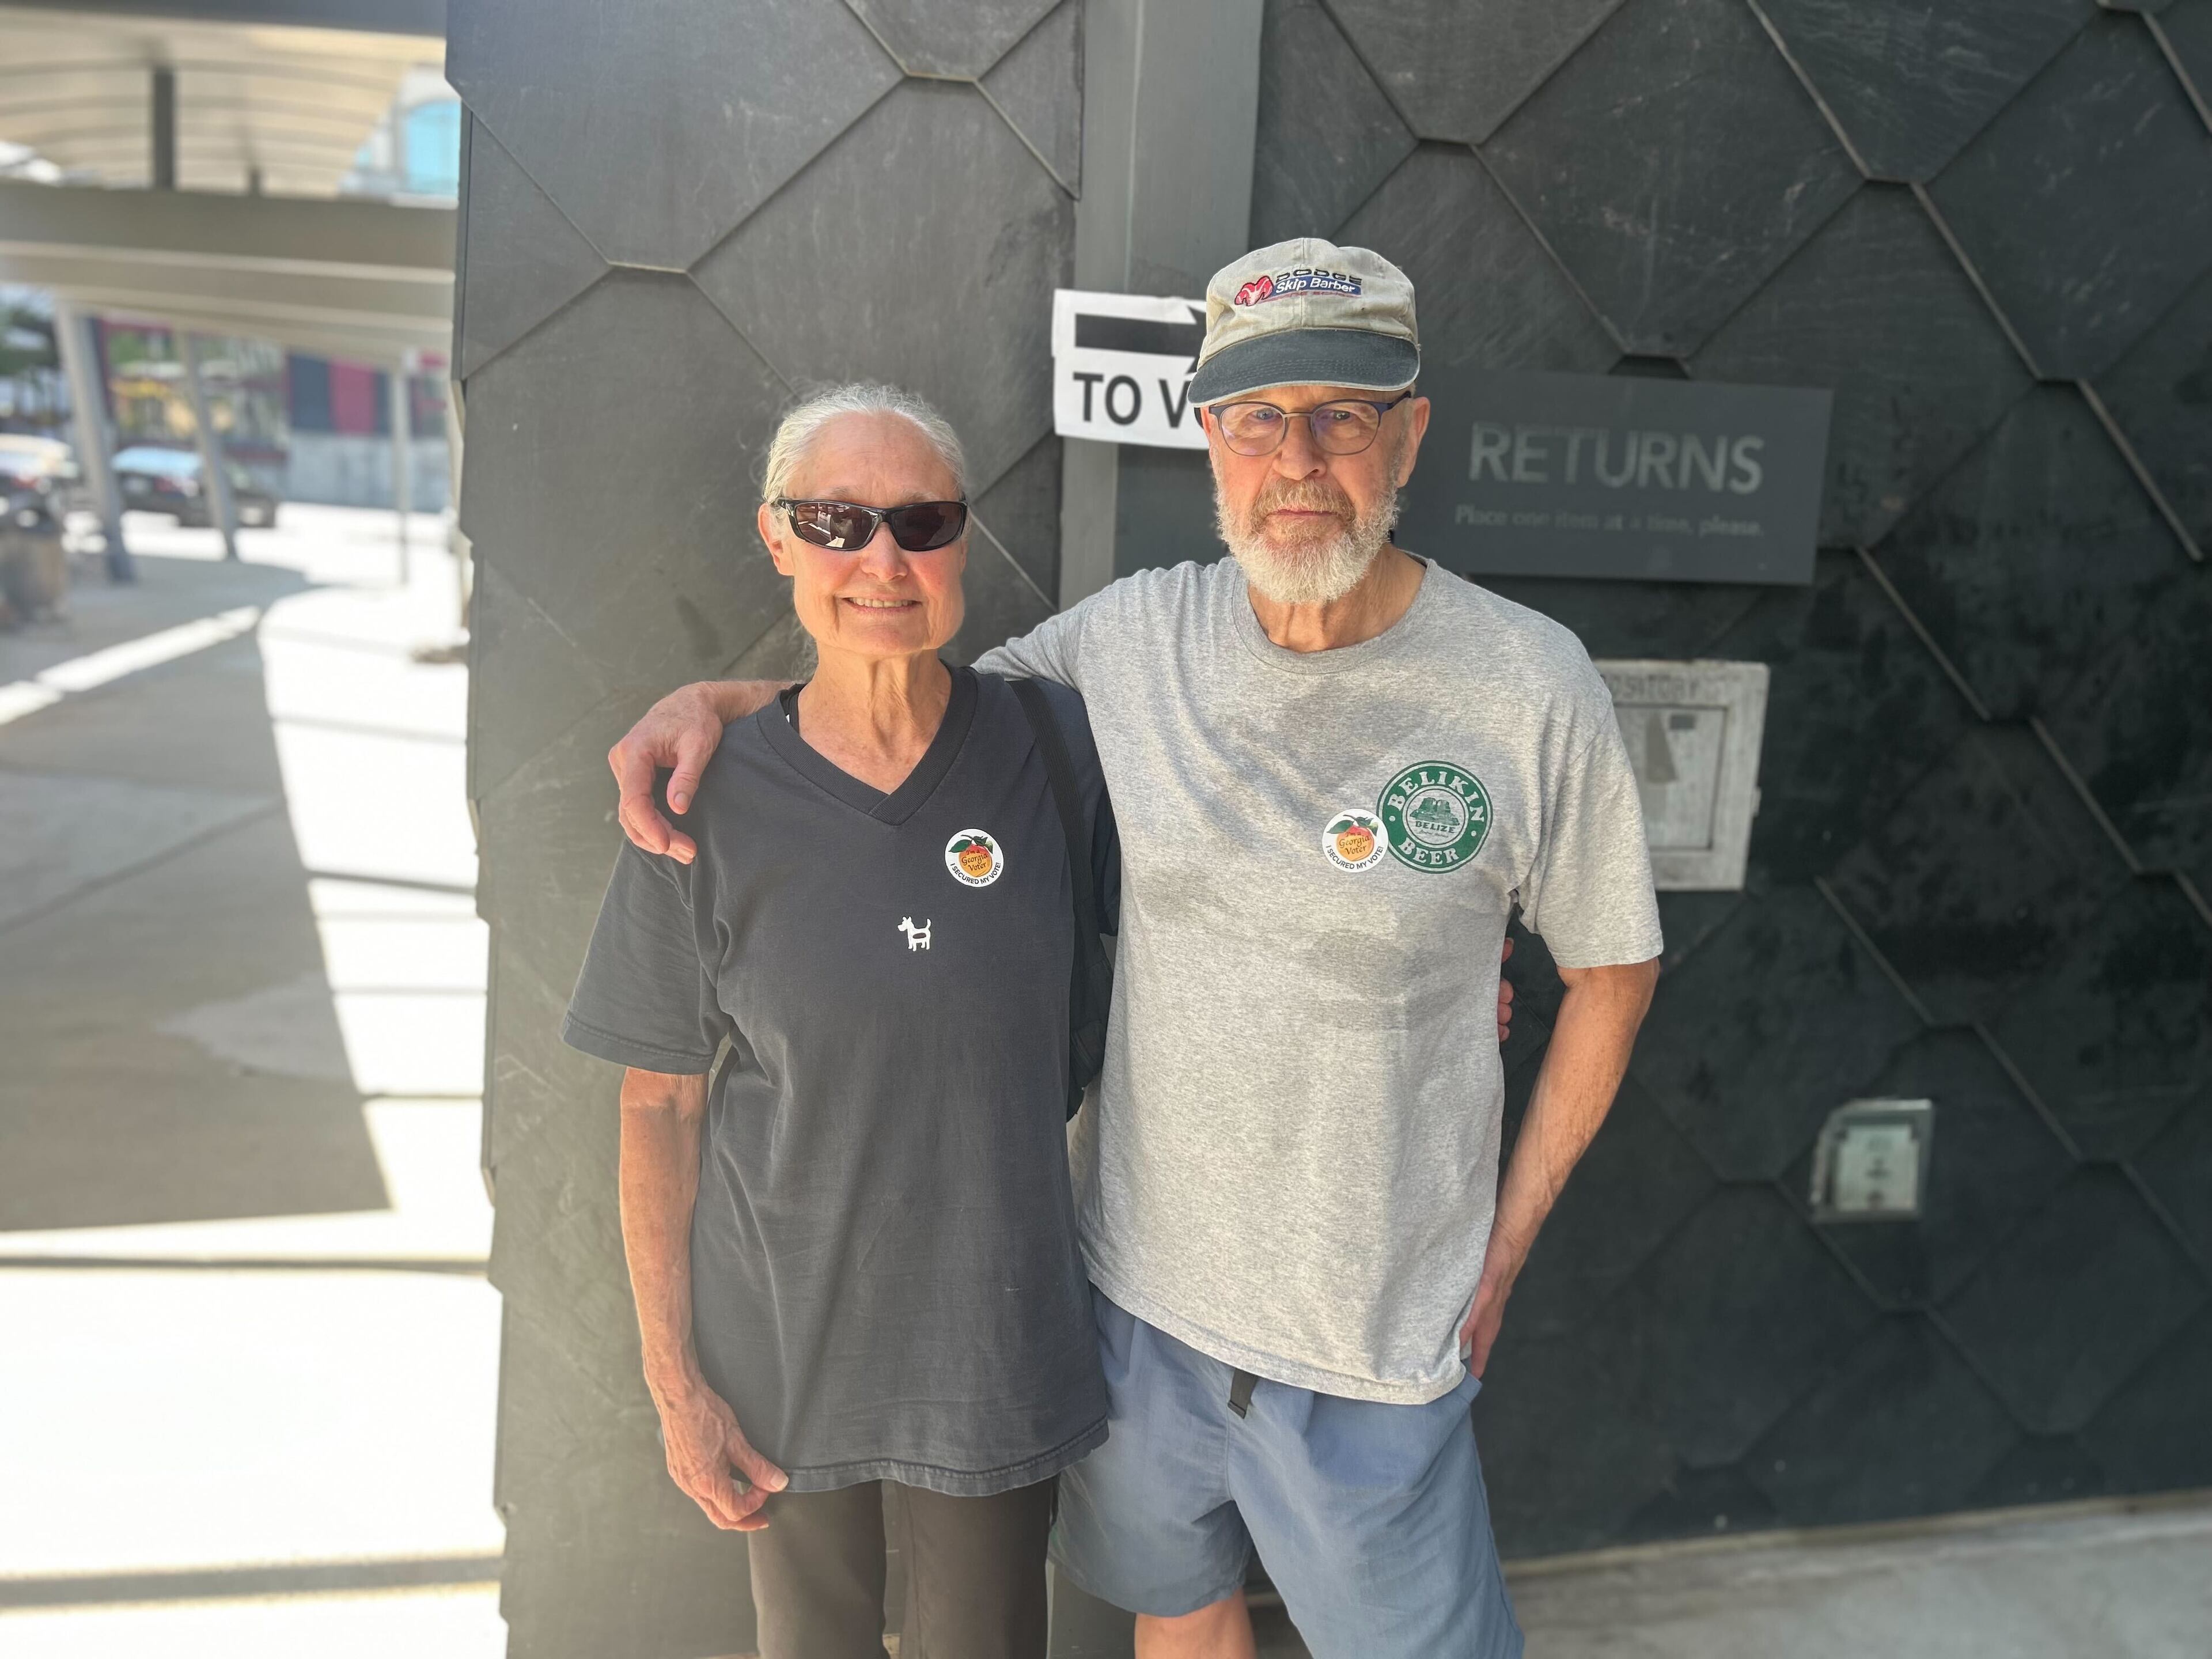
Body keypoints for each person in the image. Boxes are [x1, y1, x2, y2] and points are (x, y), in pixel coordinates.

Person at [609, 240, 1660, 1659]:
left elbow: (1613, 971)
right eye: (1255, 418)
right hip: (1140, 1313)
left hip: (1373, 1336)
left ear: (1407, 434)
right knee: (1178, 1619)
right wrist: (720, 705)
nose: (1297, 459)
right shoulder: (1130, 641)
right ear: (1210, 441)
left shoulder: (1528, 682)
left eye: (1342, 413)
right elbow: (896, 676)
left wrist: (1508, 1239)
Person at [560, 385, 1120, 1659]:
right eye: (836, 522)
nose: (881, 559)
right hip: (780, 1358)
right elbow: (658, 1103)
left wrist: (1417, 967)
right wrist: (674, 1383)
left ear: (963, 539)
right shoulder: (696, 800)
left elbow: (1214, 903)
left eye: (920, 522)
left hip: (992, 1343)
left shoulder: (1057, 746)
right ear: (777, 539)